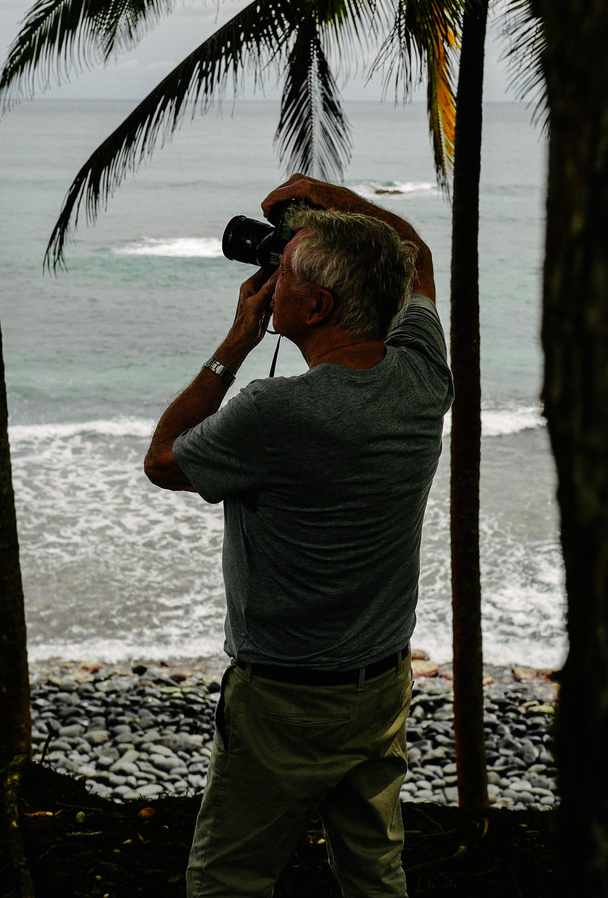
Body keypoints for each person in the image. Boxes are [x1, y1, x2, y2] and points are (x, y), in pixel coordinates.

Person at [144, 173, 453, 898]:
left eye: (283, 270)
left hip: (283, 697)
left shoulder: (278, 412)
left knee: (228, 878)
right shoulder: (421, 375)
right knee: (374, 869)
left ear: (314, 306)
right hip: (380, 682)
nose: (270, 277)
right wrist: (335, 198)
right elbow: (419, 258)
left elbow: (164, 460)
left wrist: (237, 341)